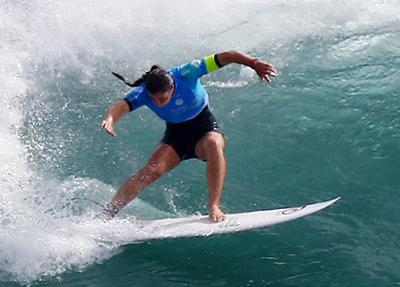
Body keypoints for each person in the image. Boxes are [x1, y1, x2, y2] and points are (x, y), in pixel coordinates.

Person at [100, 51, 276, 222]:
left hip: (205, 128)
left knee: (213, 143)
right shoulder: (144, 92)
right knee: (151, 171)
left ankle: (214, 205)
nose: (157, 103)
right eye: (153, 100)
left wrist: (255, 64)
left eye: (162, 98)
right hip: (176, 136)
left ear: (173, 87)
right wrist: (110, 119)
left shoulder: (186, 73)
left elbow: (228, 56)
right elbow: (121, 106)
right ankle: (108, 213)